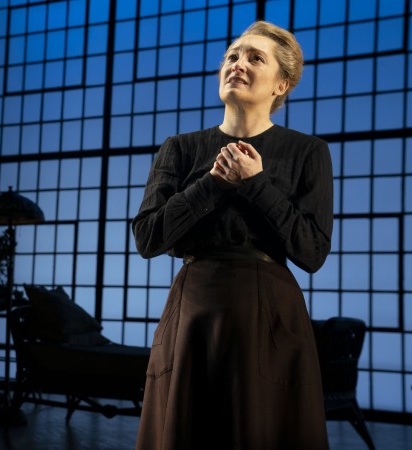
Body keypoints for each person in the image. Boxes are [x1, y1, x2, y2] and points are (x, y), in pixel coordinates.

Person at [132, 21, 333, 449]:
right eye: (232, 56)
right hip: (192, 310)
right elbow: (148, 238)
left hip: (270, 315)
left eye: (254, 58)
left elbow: (312, 252)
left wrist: (255, 183)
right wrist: (214, 183)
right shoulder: (179, 148)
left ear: (282, 84)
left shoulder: (307, 151)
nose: (237, 64)